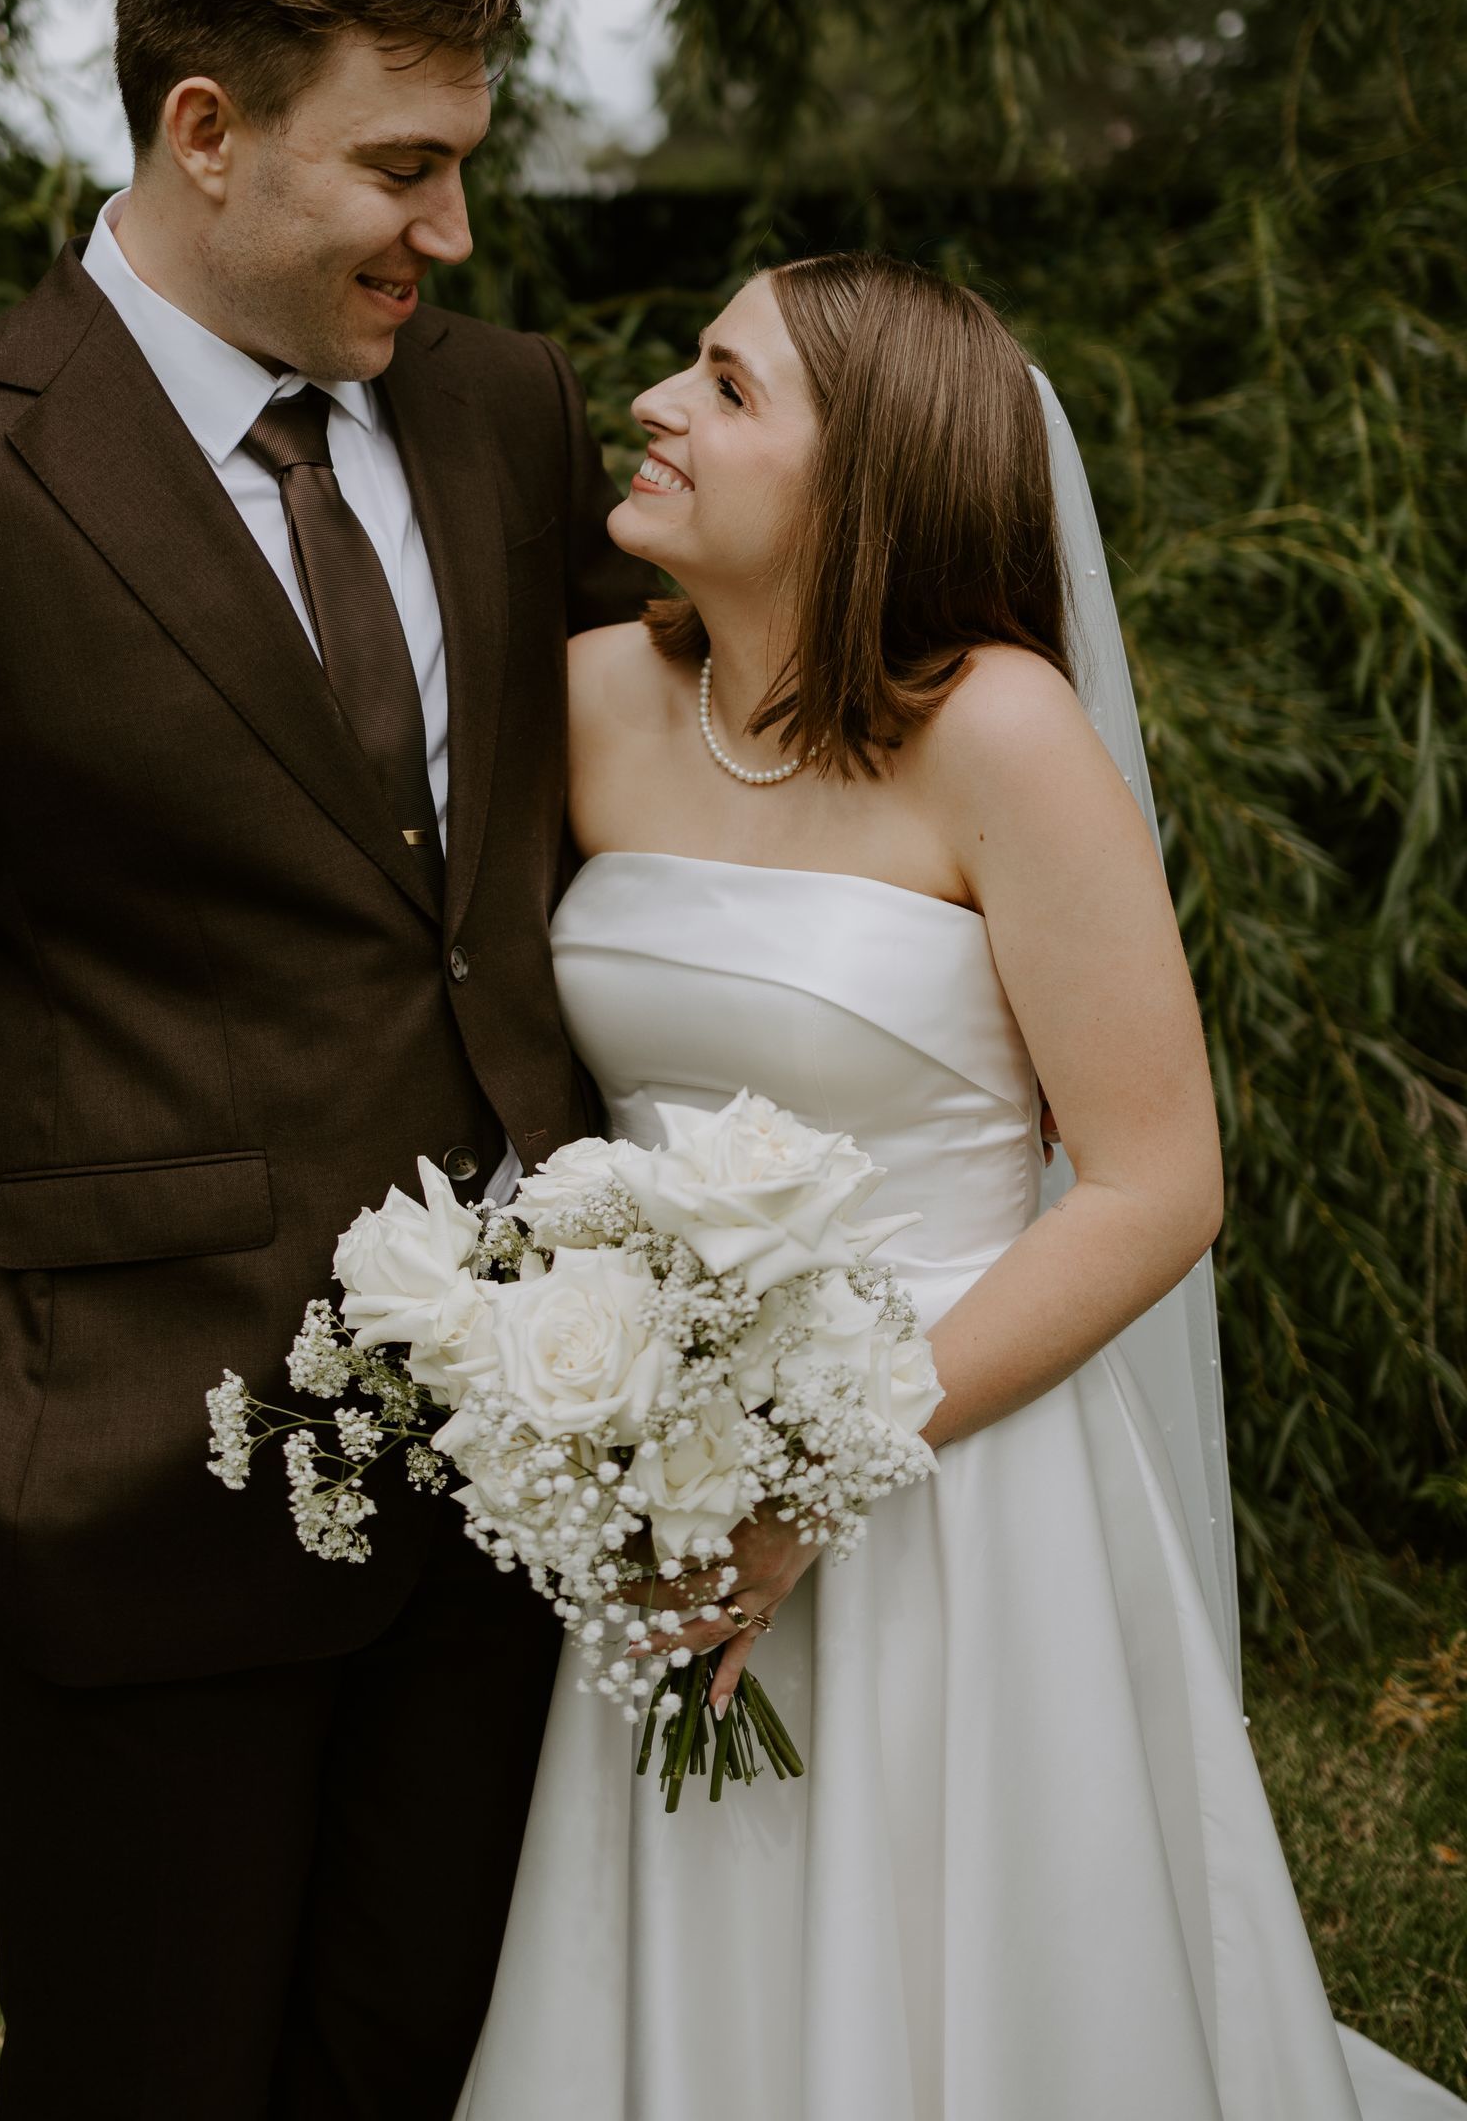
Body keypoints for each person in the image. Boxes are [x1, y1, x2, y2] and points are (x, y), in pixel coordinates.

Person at [0, 0, 652, 2119]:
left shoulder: (505, 409)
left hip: (515, 1481)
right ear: (203, 133)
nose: (450, 230)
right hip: (126, 1474)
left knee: (424, 2070)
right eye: (402, 167)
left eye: (465, 165)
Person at [456, 254, 1465, 2121]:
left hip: (958, 1482)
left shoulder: (998, 736)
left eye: (732, 390)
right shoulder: (592, 700)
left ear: (869, 493)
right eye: (691, 364)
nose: (660, 403)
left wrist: (811, 1478)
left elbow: (1159, 1185)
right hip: (663, 1480)